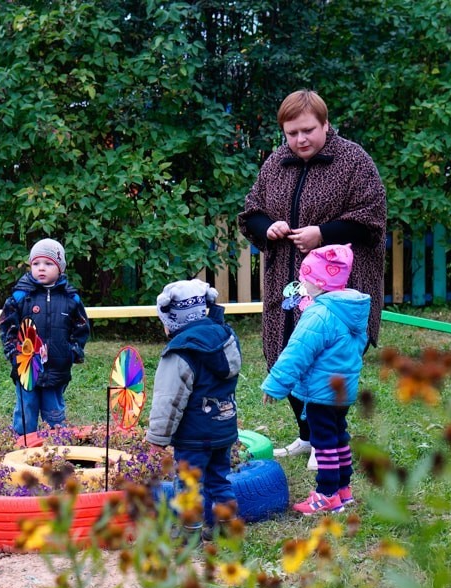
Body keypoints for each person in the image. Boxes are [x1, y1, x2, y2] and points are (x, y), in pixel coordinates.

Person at [238, 89, 386, 467]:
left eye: (308, 130)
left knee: (327, 360)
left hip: (339, 287)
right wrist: (268, 227)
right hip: (285, 283)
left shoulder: (353, 161)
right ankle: (308, 435)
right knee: (286, 351)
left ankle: (327, 440)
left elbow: (372, 218)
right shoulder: (276, 163)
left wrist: (323, 233)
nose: (300, 140)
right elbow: (251, 211)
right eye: (292, 133)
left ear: (324, 124)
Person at [261, 243, 369, 515]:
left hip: (321, 392)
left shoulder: (319, 314)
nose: (301, 285)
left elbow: (297, 352)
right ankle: (344, 490)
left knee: (324, 444)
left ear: (319, 283)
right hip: (342, 389)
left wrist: (275, 385)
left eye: (305, 279)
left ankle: (326, 494)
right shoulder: (351, 308)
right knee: (339, 437)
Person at [145, 279, 242, 542]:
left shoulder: (180, 353)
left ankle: (189, 533)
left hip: (193, 436)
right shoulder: (226, 338)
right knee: (219, 478)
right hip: (223, 428)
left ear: (173, 319)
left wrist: (157, 438)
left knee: (188, 483)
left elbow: (169, 400)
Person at [0, 239, 90, 435]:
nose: (41, 268)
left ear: (60, 268)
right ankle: (23, 448)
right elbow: (7, 325)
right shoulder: (21, 296)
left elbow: (81, 327)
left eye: (48, 264)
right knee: (26, 411)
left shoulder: (70, 299)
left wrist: (72, 352)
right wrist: (13, 352)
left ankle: (56, 449)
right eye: (36, 263)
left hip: (57, 367)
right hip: (26, 368)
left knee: (54, 413)